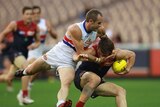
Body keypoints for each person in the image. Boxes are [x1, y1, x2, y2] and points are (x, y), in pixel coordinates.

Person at [15, 9, 107, 107]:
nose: (101, 25)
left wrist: (110, 48)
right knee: (30, 71)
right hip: (56, 54)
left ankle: (60, 104)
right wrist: (96, 56)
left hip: (69, 61)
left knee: (66, 83)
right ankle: (23, 72)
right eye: (99, 23)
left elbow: (106, 44)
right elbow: (81, 53)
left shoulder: (99, 30)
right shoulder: (75, 29)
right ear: (90, 21)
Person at [73, 37, 136, 107]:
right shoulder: (92, 51)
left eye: (106, 55)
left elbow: (132, 55)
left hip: (97, 82)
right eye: (101, 54)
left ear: (112, 51)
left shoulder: (116, 54)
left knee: (121, 91)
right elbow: (76, 55)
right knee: (95, 79)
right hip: (81, 77)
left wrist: (127, 69)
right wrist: (77, 58)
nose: (103, 57)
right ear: (98, 48)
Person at [16, 5, 58, 106]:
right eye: (33, 13)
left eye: (37, 13)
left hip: (41, 48)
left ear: (40, 14)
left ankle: (25, 90)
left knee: (37, 71)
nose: (35, 15)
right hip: (32, 49)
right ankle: (24, 93)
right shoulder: (28, 24)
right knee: (30, 67)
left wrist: (50, 30)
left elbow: (55, 36)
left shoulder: (45, 22)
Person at [0, 6, 40, 105]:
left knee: (9, 77)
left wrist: (34, 45)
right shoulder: (15, 24)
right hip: (14, 53)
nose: (29, 16)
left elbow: (38, 41)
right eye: (27, 14)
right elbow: (3, 34)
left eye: (31, 14)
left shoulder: (35, 27)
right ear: (23, 15)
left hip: (24, 55)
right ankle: (24, 95)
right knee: (26, 68)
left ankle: (5, 78)